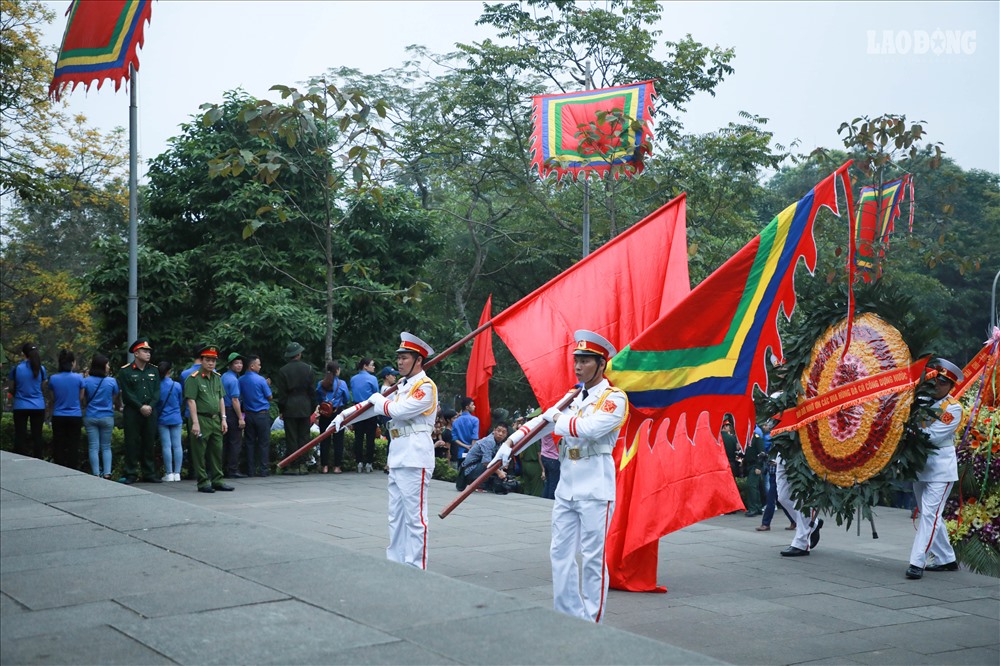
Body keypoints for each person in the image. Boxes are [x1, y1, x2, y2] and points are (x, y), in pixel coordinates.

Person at [494, 330, 628, 623]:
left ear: (601, 364)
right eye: (576, 360)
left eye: (585, 361)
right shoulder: (572, 397)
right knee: (560, 553)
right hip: (567, 484)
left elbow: (589, 428)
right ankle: (568, 616)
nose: (578, 366)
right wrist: (509, 444)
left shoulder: (613, 398)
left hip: (595, 483)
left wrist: (556, 417)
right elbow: (538, 423)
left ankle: (592, 621)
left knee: (593, 557)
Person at [332, 332, 438, 569]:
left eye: (405, 357)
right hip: (399, 454)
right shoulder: (403, 385)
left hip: (415, 455)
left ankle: (415, 568)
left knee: (415, 518)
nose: (400, 362)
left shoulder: (425, 386)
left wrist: (378, 400)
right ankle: (396, 564)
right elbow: (372, 404)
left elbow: (398, 410)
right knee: (396, 517)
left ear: (418, 360)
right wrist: (344, 415)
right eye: (399, 357)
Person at [906, 358, 964, 579]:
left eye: (943, 382)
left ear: (950, 386)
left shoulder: (952, 409)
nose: (937, 385)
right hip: (919, 467)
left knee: (929, 515)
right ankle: (946, 558)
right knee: (930, 514)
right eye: (936, 380)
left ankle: (917, 561)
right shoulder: (920, 400)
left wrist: (905, 432)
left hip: (940, 469)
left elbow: (932, 436)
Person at [184, 345, 233, 493]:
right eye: (208, 360)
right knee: (200, 452)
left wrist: (223, 419)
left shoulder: (217, 377)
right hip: (200, 418)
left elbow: (221, 399)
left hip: (215, 419)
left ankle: (218, 480)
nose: (211, 363)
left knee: (217, 451)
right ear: (202, 360)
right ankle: (203, 482)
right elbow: (191, 401)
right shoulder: (193, 378)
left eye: (213, 360)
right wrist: (195, 423)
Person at [118, 339, 161, 484]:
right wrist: (140, 406)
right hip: (133, 412)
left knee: (149, 442)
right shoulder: (125, 371)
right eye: (145, 351)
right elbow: (127, 393)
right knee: (132, 442)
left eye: (149, 351)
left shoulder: (154, 370)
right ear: (136, 353)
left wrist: (150, 406)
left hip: (150, 411)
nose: (148, 354)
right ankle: (130, 473)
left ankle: (149, 472)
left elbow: (156, 392)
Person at [274, 342, 316, 475]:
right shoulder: (308, 369)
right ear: (299, 354)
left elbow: (282, 394)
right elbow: (312, 391)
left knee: (291, 437)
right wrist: (312, 407)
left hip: (289, 406)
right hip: (305, 405)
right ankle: (303, 465)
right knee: (304, 436)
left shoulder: (283, 371)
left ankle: (293, 465)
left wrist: (282, 409)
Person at [775, 452, 823, 557]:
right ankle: (813, 524)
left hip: (806, 451)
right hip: (784, 452)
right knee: (783, 497)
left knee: (802, 498)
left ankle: (801, 544)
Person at [7, 342, 48, 458]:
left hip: (20, 405)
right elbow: (43, 386)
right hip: (38, 406)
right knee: (37, 435)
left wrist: (18, 394)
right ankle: (39, 459)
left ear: (23, 354)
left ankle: (20, 459)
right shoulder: (41, 369)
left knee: (20, 435)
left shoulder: (16, 369)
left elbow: (10, 388)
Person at [48, 350, 85, 470]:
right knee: (73, 444)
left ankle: (59, 467)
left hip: (58, 415)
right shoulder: (79, 378)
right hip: (75, 415)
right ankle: (72, 467)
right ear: (72, 363)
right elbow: (81, 397)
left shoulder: (53, 378)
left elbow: (52, 397)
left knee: (58, 443)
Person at [83, 354, 118, 479]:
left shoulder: (86, 381)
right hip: (107, 416)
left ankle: (96, 473)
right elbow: (114, 396)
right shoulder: (111, 381)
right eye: (107, 364)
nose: (108, 367)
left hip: (91, 416)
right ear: (102, 366)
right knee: (106, 446)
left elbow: (83, 398)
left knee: (93, 446)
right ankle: (107, 473)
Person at [757, 419, 795, 532]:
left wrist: (775, 461)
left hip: (779, 473)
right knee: (781, 499)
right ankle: (793, 520)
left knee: (773, 499)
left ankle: (766, 523)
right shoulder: (773, 438)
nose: (767, 427)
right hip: (774, 472)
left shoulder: (779, 439)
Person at [239, 354, 272, 477]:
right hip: (262, 414)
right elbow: (270, 397)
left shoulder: (240, 380)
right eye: (258, 364)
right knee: (263, 442)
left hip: (248, 414)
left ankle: (250, 470)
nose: (260, 367)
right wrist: (267, 386)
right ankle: (263, 469)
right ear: (252, 366)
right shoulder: (261, 380)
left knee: (249, 442)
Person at [316, 360, 350, 474]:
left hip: (324, 414)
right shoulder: (342, 384)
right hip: (337, 413)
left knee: (324, 439)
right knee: (338, 440)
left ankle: (324, 466)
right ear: (337, 371)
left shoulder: (320, 383)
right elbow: (347, 398)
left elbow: (317, 398)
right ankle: (337, 467)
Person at [456, 422, 510, 492]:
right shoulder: (489, 441)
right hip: (468, 470)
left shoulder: (499, 444)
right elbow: (486, 462)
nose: (500, 434)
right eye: (498, 430)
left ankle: (482, 484)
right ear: (494, 430)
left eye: (503, 432)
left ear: (506, 434)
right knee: (490, 464)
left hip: (476, 467)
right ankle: (479, 484)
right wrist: (499, 473)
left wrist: (501, 469)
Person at [349, 358, 379, 473]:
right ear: (365, 366)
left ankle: (359, 462)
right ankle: (369, 462)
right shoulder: (373, 379)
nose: (374, 367)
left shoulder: (353, 379)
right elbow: (376, 393)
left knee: (358, 437)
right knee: (370, 437)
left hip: (357, 409)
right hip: (370, 408)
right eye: (372, 365)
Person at [156, 361, 184, 482]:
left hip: (162, 418)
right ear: (170, 371)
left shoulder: (157, 385)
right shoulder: (176, 385)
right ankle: (177, 473)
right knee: (177, 446)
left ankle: (169, 473)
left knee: (166, 446)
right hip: (176, 417)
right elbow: (180, 401)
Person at [221, 352, 246, 479]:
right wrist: (240, 418)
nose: (239, 365)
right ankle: (233, 470)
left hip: (223, 412)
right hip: (231, 411)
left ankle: (222, 468)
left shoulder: (223, 377)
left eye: (241, 363)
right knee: (235, 442)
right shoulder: (234, 380)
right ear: (230, 365)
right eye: (236, 363)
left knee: (224, 442)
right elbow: (235, 400)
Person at [451, 396, 479, 466]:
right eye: (472, 405)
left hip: (460, 453)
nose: (474, 406)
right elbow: (474, 437)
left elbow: (454, 438)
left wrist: (465, 446)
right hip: (472, 453)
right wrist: (471, 449)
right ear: (467, 407)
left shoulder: (456, 421)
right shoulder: (475, 420)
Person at [539, 432, 560, 500]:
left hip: (544, 456)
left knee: (548, 482)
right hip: (553, 457)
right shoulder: (554, 429)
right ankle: (551, 501)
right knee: (554, 483)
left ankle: (544, 500)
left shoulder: (544, 427)